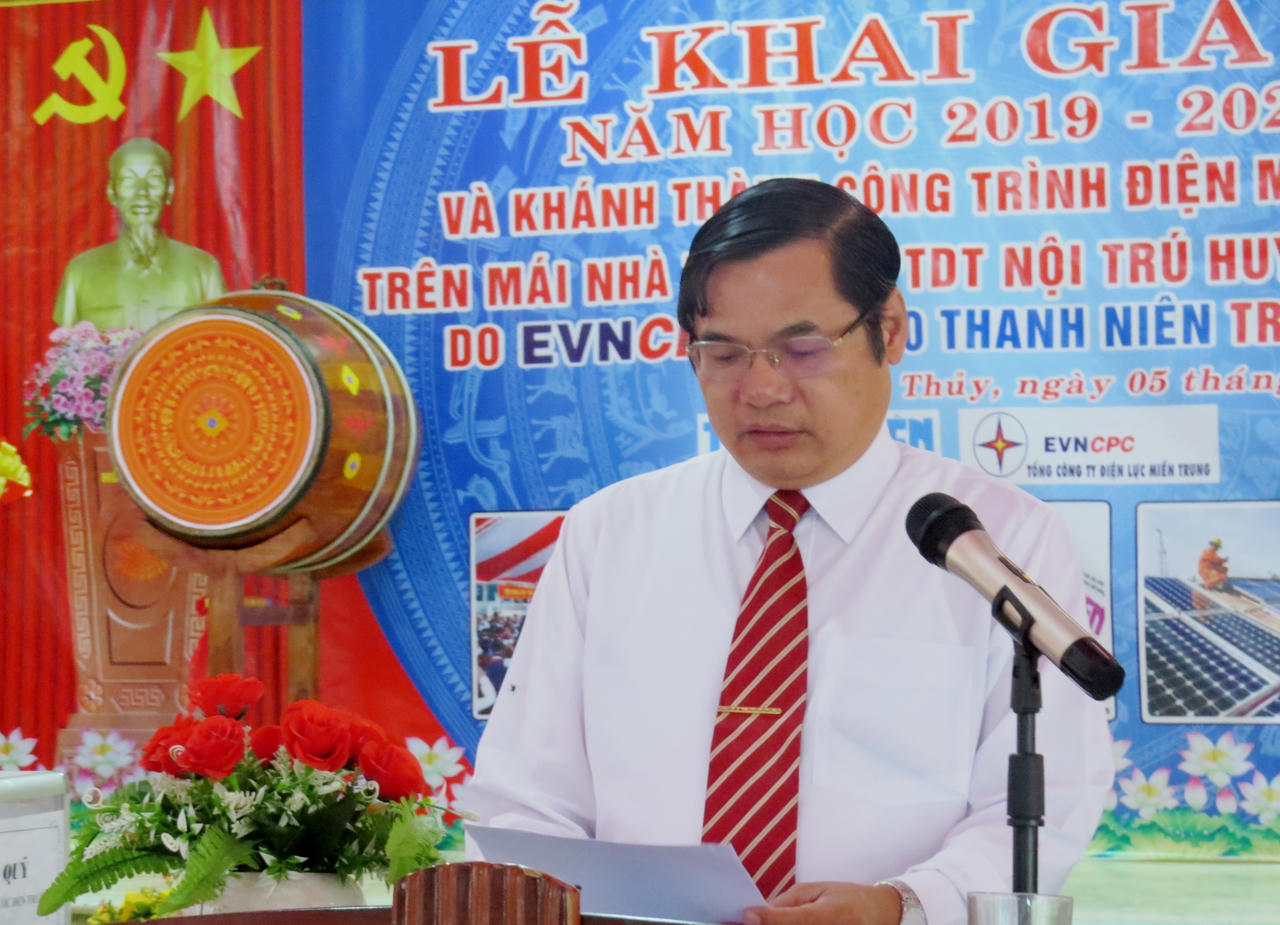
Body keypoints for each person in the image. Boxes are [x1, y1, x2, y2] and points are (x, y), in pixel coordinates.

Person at [464, 178, 1114, 925]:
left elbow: (1038, 806)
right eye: (724, 353)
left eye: (801, 349)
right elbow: (526, 798)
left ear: (889, 329)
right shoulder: (608, 534)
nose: (761, 389)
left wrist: (899, 907)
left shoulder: (996, 541)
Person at [53, 136, 225, 331]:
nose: (142, 192)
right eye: (128, 180)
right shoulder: (80, 273)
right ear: (112, 192)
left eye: (154, 179)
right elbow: (66, 345)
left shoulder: (203, 270)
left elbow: (219, 340)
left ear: (169, 190)